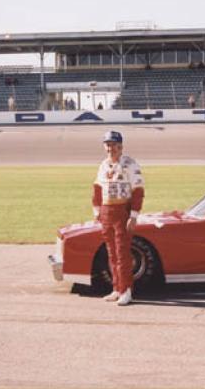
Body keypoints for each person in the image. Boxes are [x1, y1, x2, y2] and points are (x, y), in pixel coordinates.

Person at [92, 131, 145, 306]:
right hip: (107, 212)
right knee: (111, 253)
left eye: (114, 145)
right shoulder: (103, 165)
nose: (110, 148)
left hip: (123, 212)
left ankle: (126, 290)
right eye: (107, 145)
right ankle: (116, 288)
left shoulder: (130, 164)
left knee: (123, 254)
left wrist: (134, 215)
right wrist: (97, 211)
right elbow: (97, 189)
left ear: (121, 147)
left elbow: (138, 191)